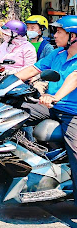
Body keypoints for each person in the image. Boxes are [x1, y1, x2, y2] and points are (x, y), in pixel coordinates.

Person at [15, 15, 77, 206]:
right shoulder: (57, 54)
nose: (55, 35)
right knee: (14, 114)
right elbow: (31, 70)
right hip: (50, 107)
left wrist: (55, 97)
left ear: (73, 36)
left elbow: (73, 78)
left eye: (59, 32)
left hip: (72, 111)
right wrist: (2, 84)